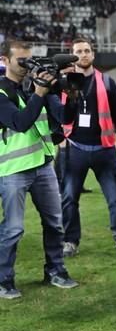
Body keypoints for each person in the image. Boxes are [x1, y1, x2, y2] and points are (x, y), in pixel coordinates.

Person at [0, 40, 78, 298]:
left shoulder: (36, 87)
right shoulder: (2, 92)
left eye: (28, 60)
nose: (26, 66)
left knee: (55, 223)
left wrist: (72, 94)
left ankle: (55, 270)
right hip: (13, 170)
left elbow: (64, 117)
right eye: (21, 61)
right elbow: (20, 122)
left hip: (44, 165)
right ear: (5, 60)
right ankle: (4, 280)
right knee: (13, 229)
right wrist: (40, 92)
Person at [60, 38, 116, 257]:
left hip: (104, 149)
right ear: (72, 56)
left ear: (93, 55)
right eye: (78, 51)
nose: (83, 54)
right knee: (69, 198)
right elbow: (60, 116)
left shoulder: (106, 81)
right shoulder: (64, 83)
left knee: (115, 197)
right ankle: (70, 241)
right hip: (75, 149)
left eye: (87, 51)